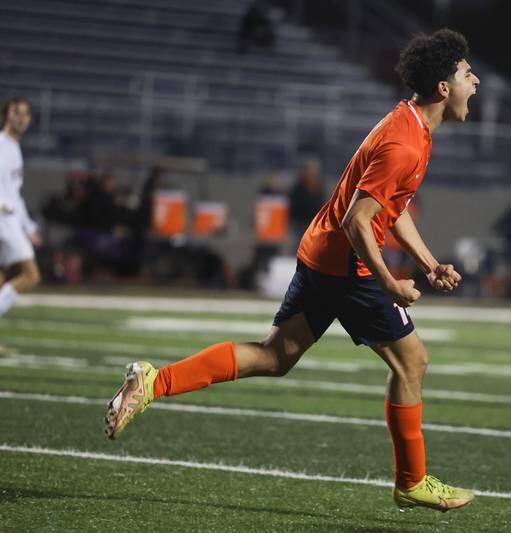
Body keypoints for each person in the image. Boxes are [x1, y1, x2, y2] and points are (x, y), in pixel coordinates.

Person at [104, 29, 480, 512]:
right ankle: (412, 481)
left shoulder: (409, 125)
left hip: (322, 253)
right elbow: (358, 219)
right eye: (469, 75)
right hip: (349, 266)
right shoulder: (406, 143)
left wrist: (428, 263)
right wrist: (390, 282)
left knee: (275, 356)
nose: (476, 84)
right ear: (444, 88)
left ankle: (154, 380)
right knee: (413, 362)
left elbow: (391, 205)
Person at [0, 96, 41, 320]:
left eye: (25, 113)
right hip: (3, 221)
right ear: (7, 114)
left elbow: (15, 194)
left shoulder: (14, 147)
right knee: (31, 275)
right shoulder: (2, 145)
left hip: (11, 220)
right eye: (16, 112)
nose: (21, 118)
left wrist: (29, 226)